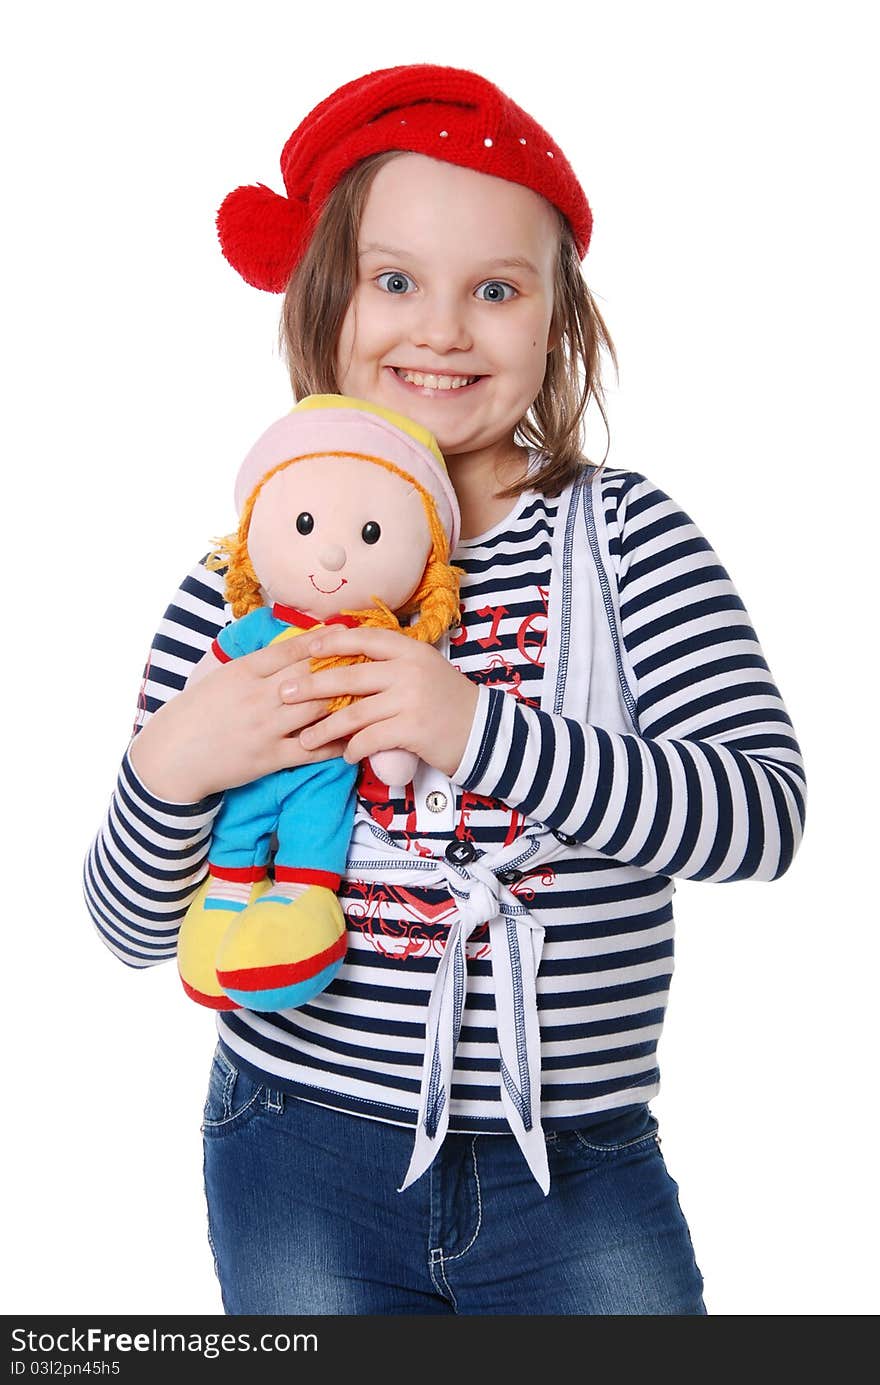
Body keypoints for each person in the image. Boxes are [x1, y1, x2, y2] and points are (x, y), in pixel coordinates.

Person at [83, 63, 806, 1316]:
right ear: (328, 298)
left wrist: (476, 727)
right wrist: (173, 764)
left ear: (555, 319)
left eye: (495, 290)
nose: (443, 329)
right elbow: (133, 929)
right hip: (296, 1145)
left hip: (574, 1161)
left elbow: (758, 817)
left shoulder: (624, 540)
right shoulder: (247, 577)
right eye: (396, 279)